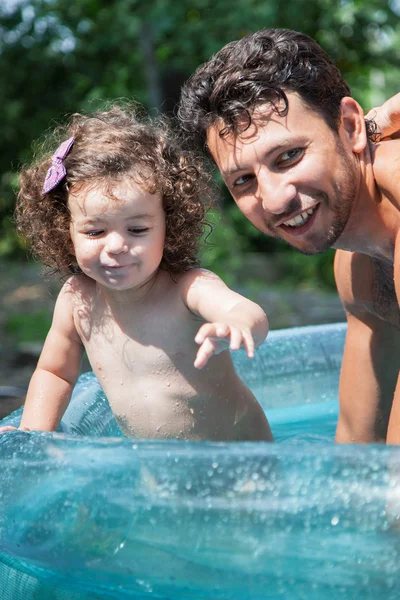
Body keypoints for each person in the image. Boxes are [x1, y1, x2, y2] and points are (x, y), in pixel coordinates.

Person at [178, 28, 400, 445]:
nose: (274, 200)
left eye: (289, 156)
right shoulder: (357, 268)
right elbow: (355, 447)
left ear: (351, 127)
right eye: (244, 180)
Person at [0, 105, 272, 441]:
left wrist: (238, 326)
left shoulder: (187, 289)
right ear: (64, 230)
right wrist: (34, 435)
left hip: (242, 465)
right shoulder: (77, 299)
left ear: (168, 227)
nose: (115, 246)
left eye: (138, 229)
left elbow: (249, 314)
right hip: (158, 475)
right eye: (95, 232)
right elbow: (55, 372)